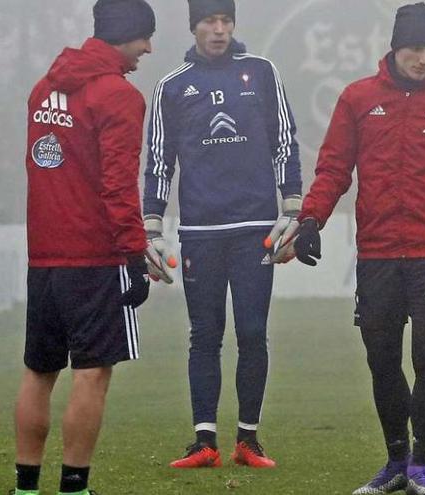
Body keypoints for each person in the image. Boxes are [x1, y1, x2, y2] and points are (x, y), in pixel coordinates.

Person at [292, 3, 425, 494]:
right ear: (395, 48)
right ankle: (396, 462)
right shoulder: (358, 98)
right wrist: (311, 217)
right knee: (381, 358)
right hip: (377, 252)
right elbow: (334, 168)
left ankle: (422, 466)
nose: (422, 59)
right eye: (413, 48)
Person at [143, 0, 302, 469]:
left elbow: (285, 141)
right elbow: (158, 161)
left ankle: (248, 439)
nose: (218, 30)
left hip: (256, 228)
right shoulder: (171, 86)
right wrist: (152, 223)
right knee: (204, 334)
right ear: (194, 27)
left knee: (253, 333)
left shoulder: (261, 71)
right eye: (210, 22)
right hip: (200, 231)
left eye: (225, 21)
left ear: (234, 25)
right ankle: (204, 440)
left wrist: (292, 205)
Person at [13, 1, 157, 494]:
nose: (148, 49)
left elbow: (39, 167)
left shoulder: (43, 87)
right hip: (94, 257)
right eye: (144, 38)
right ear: (126, 34)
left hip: (44, 256)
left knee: (38, 372)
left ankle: (27, 488)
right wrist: (134, 253)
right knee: (91, 374)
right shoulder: (119, 95)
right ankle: (74, 488)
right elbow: (118, 186)